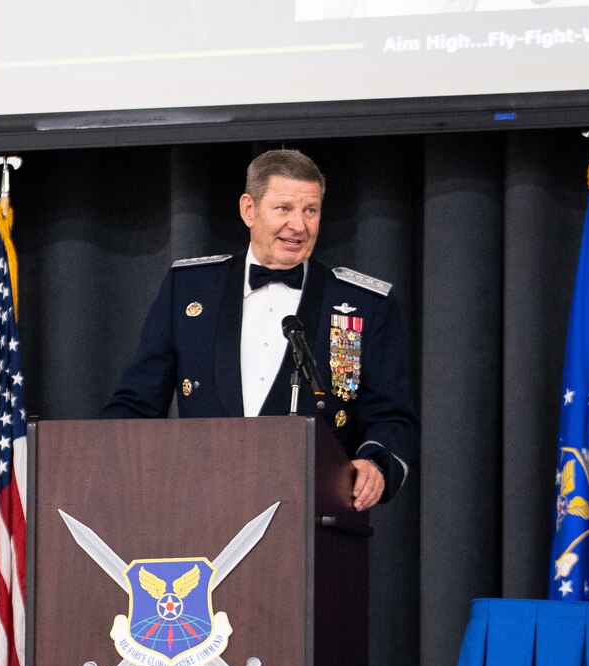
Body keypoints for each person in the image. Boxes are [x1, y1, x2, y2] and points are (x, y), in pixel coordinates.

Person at [101, 148, 420, 511]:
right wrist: (93, 459)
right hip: (199, 506)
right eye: (284, 209)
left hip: (312, 513)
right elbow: (138, 402)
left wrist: (375, 464)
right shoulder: (190, 288)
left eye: (310, 210)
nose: (298, 225)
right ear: (249, 210)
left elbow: (391, 417)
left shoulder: (363, 303)